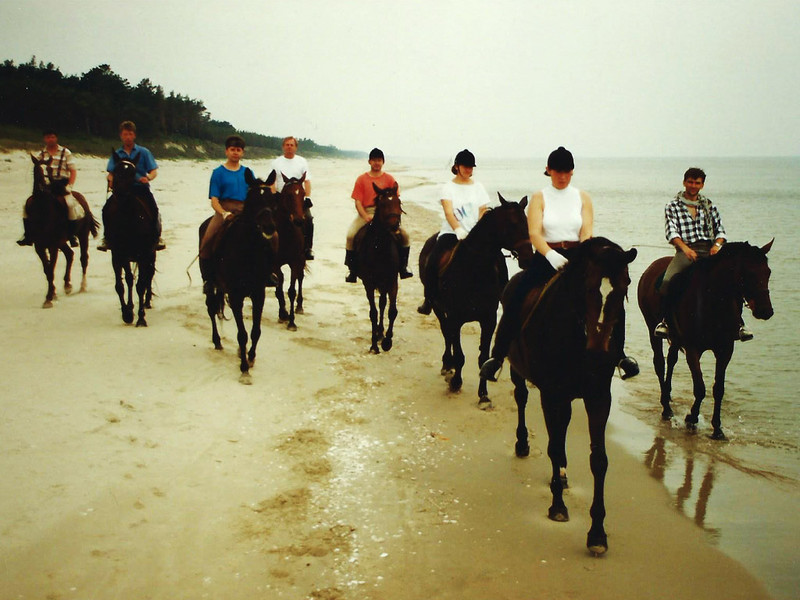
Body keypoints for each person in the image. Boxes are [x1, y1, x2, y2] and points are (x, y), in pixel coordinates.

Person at [479, 146, 639, 381]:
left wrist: (583, 255)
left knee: (611, 293)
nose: (562, 176)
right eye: (557, 171)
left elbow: (586, 232)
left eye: (566, 171)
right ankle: (497, 356)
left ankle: (620, 356)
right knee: (516, 294)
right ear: (548, 170)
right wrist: (550, 255)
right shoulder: (539, 197)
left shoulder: (583, 197)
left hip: (578, 255)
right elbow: (534, 233)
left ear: (572, 171)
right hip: (547, 256)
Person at [653, 168, 752, 341]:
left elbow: (720, 230)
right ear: (684, 182)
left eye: (697, 183)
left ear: (702, 185)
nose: (693, 186)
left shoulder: (709, 206)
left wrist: (717, 245)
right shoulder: (672, 206)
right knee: (668, 281)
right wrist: (685, 249)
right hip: (686, 250)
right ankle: (665, 322)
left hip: (709, 250)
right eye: (690, 182)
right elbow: (671, 232)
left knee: (732, 280)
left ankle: (739, 324)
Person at [418, 149, 490, 314]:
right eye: (465, 166)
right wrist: (458, 229)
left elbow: (483, 210)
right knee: (432, 261)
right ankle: (429, 299)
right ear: (457, 166)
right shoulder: (448, 187)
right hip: (451, 233)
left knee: (496, 259)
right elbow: (449, 212)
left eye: (471, 167)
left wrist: (478, 231)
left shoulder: (478, 187)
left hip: (475, 234)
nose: (469, 169)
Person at [345, 148, 413, 282]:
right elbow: (358, 202)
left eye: (379, 160)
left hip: (386, 213)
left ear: (383, 162)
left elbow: (395, 200)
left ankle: (403, 267)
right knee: (350, 235)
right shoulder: (361, 179)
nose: (377, 163)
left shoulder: (389, 179)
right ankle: (352, 271)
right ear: (369, 162)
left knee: (405, 235)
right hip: (367, 212)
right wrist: (365, 216)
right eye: (374, 160)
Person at [199, 135, 255, 294]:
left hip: (244, 210)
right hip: (224, 209)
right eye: (232, 149)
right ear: (226, 151)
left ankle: (267, 273)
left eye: (238, 150)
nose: (235, 153)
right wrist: (223, 213)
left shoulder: (248, 172)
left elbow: (253, 194)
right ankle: (208, 280)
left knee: (267, 237)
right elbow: (214, 200)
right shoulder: (218, 173)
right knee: (206, 241)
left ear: (242, 152)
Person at [97, 121, 165, 251]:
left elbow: (153, 171)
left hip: (139, 188)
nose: (128, 137)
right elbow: (111, 173)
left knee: (154, 209)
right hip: (121, 190)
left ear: (134, 135)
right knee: (106, 209)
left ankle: (157, 237)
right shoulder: (117, 154)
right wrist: (110, 180)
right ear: (121, 136)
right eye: (125, 134)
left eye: (130, 134)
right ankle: (107, 238)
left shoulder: (144, 152)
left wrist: (148, 178)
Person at [17, 129, 83, 247]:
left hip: (61, 184)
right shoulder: (41, 154)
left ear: (56, 138)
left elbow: (73, 170)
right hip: (46, 185)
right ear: (44, 139)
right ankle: (28, 235)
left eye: (52, 137)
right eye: (48, 137)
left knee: (70, 205)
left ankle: (72, 235)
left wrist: (70, 186)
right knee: (27, 205)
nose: (50, 139)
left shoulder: (65, 152)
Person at [270, 136, 314, 260]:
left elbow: (307, 181)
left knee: (308, 218)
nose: (289, 147)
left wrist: (307, 197)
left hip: (297, 199)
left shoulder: (302, 161)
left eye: (292, 145)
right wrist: (273, 195)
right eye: (287, 145)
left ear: (296, 147)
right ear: (283, 147)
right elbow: (272, 181)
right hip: (281, 198)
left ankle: (308, 248)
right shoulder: (276, 162)